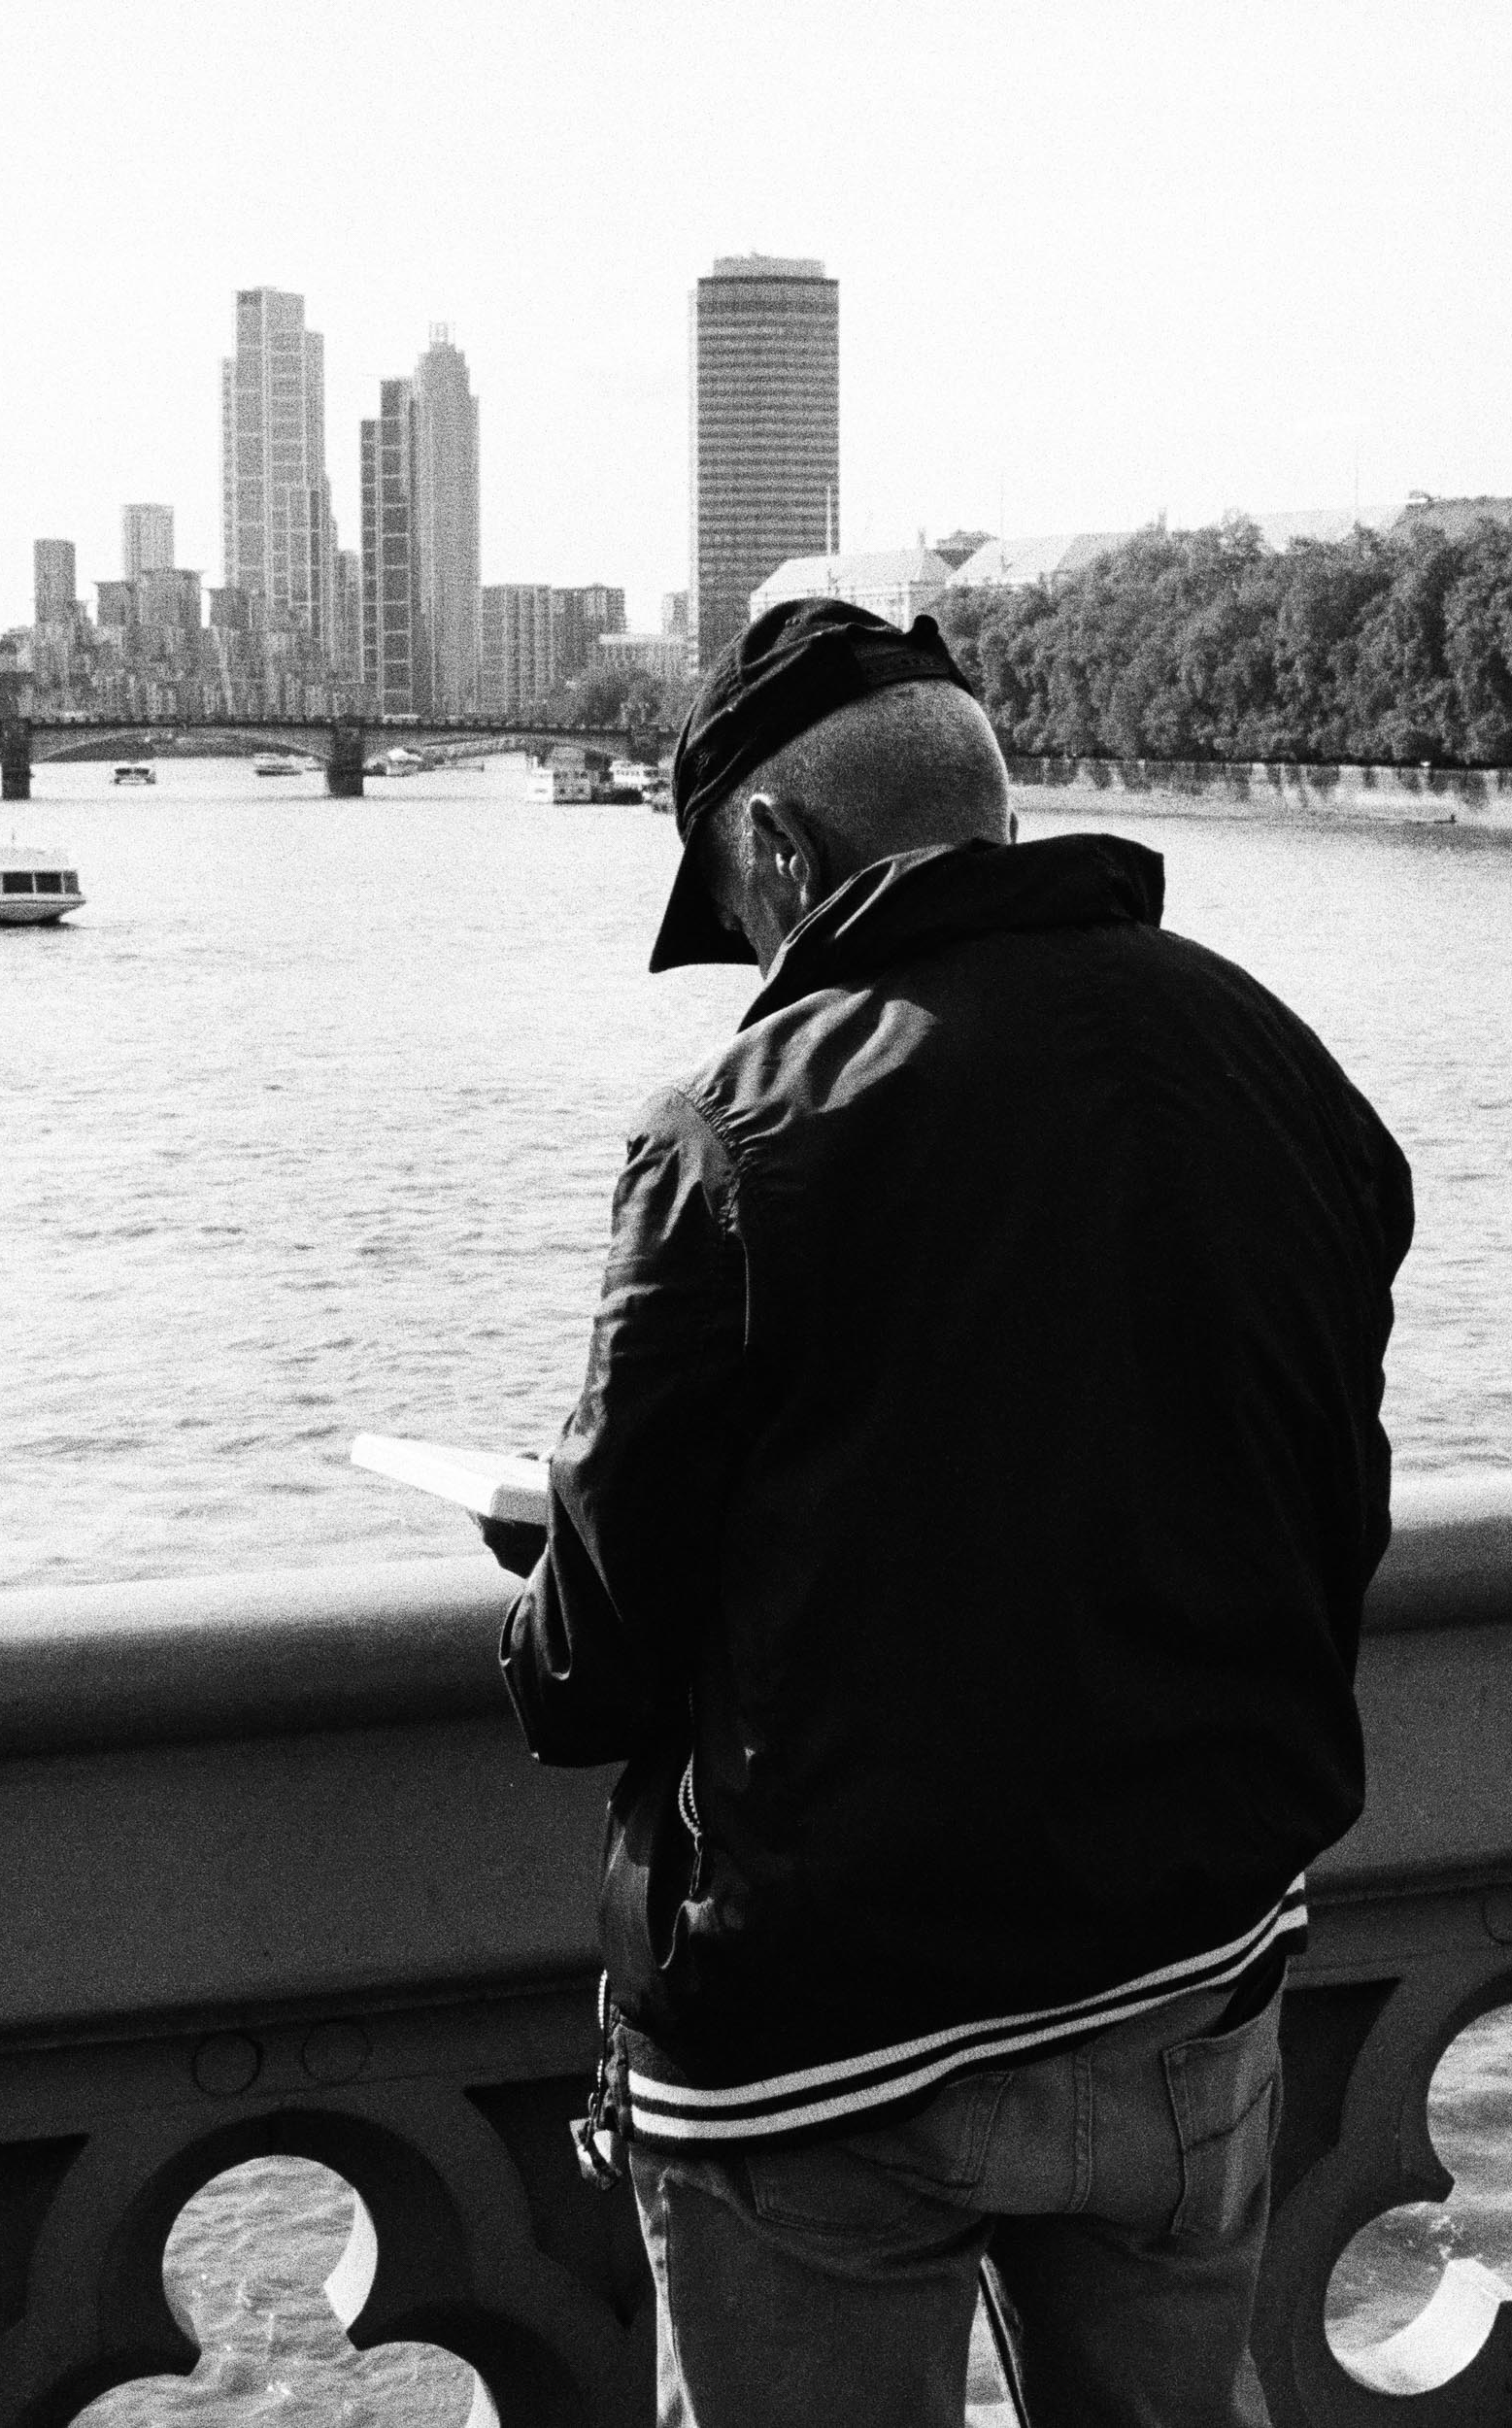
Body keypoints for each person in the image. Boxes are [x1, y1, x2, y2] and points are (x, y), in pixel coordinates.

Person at [489, 598, 1413, 2428]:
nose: (752, 957)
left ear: (774, 847)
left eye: (736, 910)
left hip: (827, 2056)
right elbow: (1313, 1511)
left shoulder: (730, 1136)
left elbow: (585, 1675)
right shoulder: (1284, 1066)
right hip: (1190, 1977)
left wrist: (548, 1562)